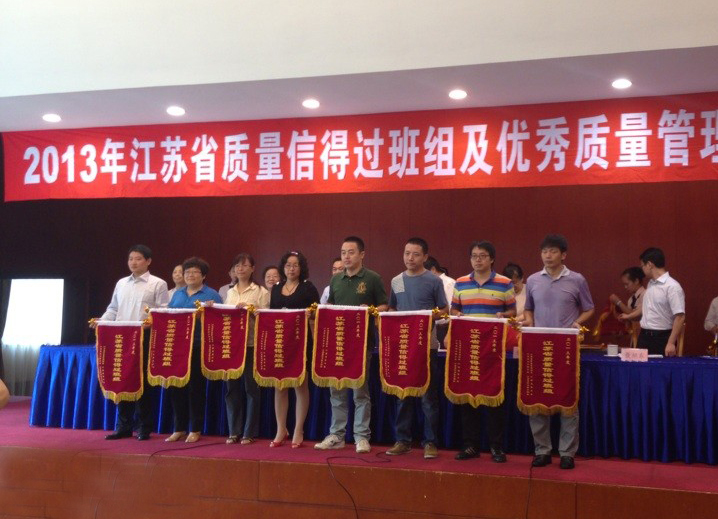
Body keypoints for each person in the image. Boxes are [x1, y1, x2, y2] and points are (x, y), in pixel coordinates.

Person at [522, 234, 594, 470]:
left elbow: (589, 308)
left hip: (566, 347)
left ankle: (566, 453)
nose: (548, 256)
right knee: (537, 398)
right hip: (538, 346)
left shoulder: (577, 279)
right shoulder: (533, 280)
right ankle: (542, 450)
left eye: (553, 251)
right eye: (544, 251)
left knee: (567, 400)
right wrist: (528, 321)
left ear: (563, 255)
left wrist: (577, 323)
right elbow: (528, 309)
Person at [315, 236, 388, 454]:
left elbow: (384, 306)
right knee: (337, 391)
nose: (346, 256)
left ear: (362, 254)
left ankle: (361, 437)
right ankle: (336, 435)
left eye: (351, 252)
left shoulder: (372, 278)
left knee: (360, 393)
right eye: (343, 252)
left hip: (361, 344)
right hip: (338, 343)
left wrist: (371, 310)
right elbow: (330, 307)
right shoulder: (335, 280)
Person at [93, 244, 169, 441]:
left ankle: (144, 427)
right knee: (122, 380)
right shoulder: (121, 283)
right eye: (130, 259)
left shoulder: (158, 283)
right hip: (121, 337)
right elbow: (113, 308)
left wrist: (151, 321)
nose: (133, 262)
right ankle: (123, 427)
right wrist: (101, 322)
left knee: (142, 383)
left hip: (144, 337)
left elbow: (162, 311)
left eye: (138, 259)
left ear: (148, 261)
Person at [451, 241, 516, 463]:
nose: (477, 260)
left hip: (493, 351)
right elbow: (454, 309)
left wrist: (504, 315)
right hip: (468, 349)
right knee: (468, 398)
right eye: (474, 256)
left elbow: (512, 311)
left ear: (492, 259)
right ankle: (470, 446)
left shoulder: (504, 283)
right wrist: (457, 315)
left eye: (482, 256)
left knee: (494, 399)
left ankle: (496, 447)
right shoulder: (460, 283)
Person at [385, 238, 448, 459]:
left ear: (425, 257)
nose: (410, 258)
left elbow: (444, 310)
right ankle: (402, 440)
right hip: (403, 345)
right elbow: (392, 308)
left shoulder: (433, 281)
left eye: (415, 254)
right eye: (407, 253)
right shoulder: (396, 281)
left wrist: (427, 317)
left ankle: (430, 442)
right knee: (403, 395)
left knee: (428, 397)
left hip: (427, 346)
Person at [166, 257, 223, 443]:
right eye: (187, 272)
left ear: (203, 275)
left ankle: (195, 428)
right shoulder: (177, 294)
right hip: (177, 347)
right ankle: (179, 428)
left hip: (199, 345)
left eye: (195, 272)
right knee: (176, 387)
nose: (190, 275)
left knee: (195, 388)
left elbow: (220, 320)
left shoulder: (212, 295)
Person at [270, 251, 320, 448]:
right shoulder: (276, 288)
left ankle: (298, 429)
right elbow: (271, 314)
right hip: (280, 342)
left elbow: (317, 312)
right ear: (283, 268)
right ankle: (281, 428)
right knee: (280, 386)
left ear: (301, 268)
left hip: (301, 343)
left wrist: (310, 314)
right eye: (288, 265)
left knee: (300, 385)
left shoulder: (308, 288)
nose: (291, 269)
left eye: (295, 265)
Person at [223, 253, 270, 444]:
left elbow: (266, 319)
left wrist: (250, 311)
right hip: (231, 347)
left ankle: (249, 432)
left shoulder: (261, 291)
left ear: (252, 269)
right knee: (231, 389)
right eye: (237, 266)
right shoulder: (230, 292)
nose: (240, 269)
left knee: (251, 389)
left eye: (244, 265)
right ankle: (233, 431)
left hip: (251, 345)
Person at [634, 248, 685, 356]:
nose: (642, 269)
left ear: (649, 264)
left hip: (662, 338)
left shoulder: (672, 286)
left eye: (642, 266)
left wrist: (671, 343)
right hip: (644, 336)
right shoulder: (651, 284)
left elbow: (680, 317)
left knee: (660, 367)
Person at [612, 267, 646, 338]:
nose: (625, 287)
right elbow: (630, 319)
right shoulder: (631, 299)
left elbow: (636, 315)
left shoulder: (646, 294)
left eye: (627, 284)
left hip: (645, 335)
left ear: (636, 281)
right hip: (635, 336)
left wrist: (618, 302)